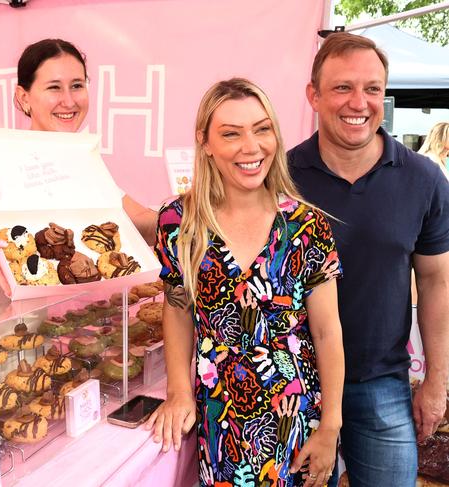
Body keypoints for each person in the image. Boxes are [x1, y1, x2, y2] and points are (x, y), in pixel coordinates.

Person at [147, 78, 345, 486]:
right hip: (221, 421)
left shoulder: (306, 225)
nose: (250, 146)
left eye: (261, 128)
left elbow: (327, 332)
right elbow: (178, 309)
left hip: (298, 419)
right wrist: (179, 391)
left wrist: (330, 427)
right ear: (205, 142)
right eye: (230, 133)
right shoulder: (177, 222)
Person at [287, 32, 449, 487]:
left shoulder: (423, 178)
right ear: (313, 96)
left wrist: (437, 382)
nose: (359, 102)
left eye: (372, 88)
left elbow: (437, 282)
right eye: (342, 87)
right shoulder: (280, 178)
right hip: (291, 385)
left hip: (381, 385)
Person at [0, 39, 157, 297]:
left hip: (17, 326)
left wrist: (189, 209)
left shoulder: (84, 160)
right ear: (23, 97)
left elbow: (140, 222)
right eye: (54, 88)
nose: (69, 101)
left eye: (77, 86)